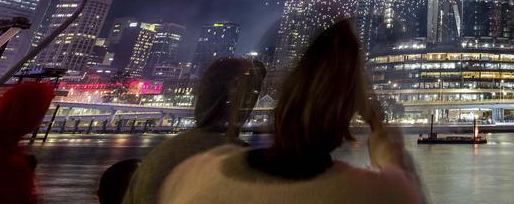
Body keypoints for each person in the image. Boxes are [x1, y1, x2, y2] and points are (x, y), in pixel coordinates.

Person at [159, 19, 424, 204]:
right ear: (346, 113)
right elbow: (401, 188)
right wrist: (380, 132)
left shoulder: (193, 174)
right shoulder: (376, 193)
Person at [122, 57, 265, 204]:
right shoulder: (242, 161)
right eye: (251, 94)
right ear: (233, 95)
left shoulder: (156, 157)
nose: (251, 104)